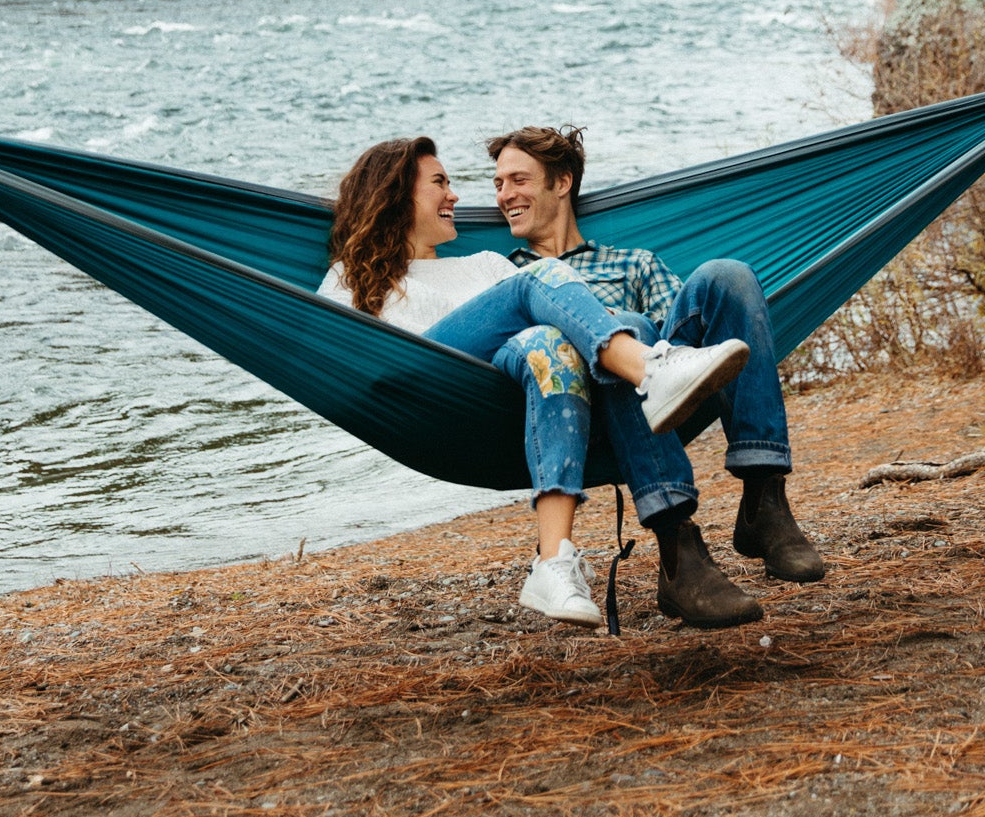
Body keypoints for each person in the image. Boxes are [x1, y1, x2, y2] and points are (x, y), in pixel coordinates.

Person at [318, 137, 751, 628]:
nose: (455, 196)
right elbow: (333, 352)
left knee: (551, 346)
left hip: (500, 389)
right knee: (540, 275)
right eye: (440, 183)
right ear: (396, 194)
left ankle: (553, 563)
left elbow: (556, 322)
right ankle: (651, 371)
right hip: (430, 380)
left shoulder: (484, 264)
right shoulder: (347, 279)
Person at [490, 125, 827, 618]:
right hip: (579, 408)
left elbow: (685, 344)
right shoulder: (506, 278)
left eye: (517, 180)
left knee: (729, 276)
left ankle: (765, 500)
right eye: (497, 184)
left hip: (664, 398)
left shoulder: (632, 263)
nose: (504, 195)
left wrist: (646, 342)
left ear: (561, 183)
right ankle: (677, 550)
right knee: (623, 325)